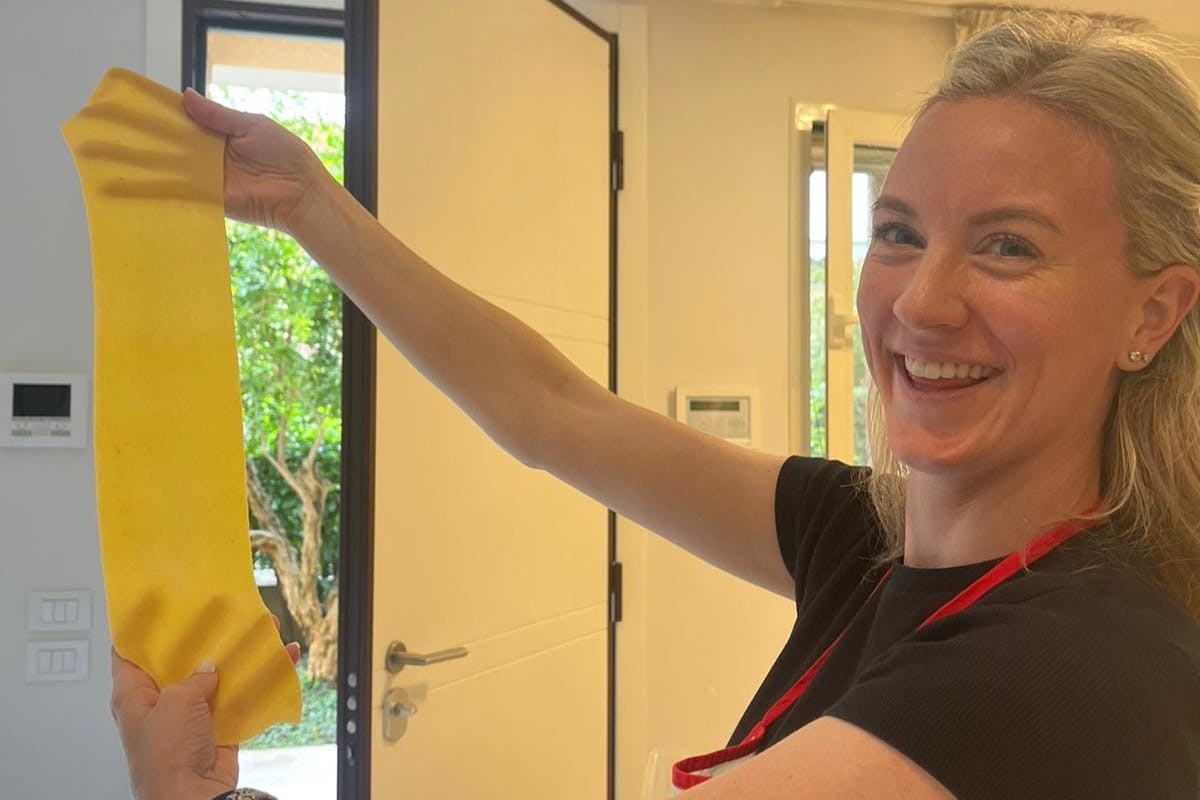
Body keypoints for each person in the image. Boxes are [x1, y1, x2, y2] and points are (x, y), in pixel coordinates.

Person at [110, 10, 1200, 800]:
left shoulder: (1069, 669)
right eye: (901, 230)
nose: (921, 300)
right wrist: (310, 205)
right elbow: (551, 408)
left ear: (1151, 311)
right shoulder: (867, 539)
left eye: (1009, 245)